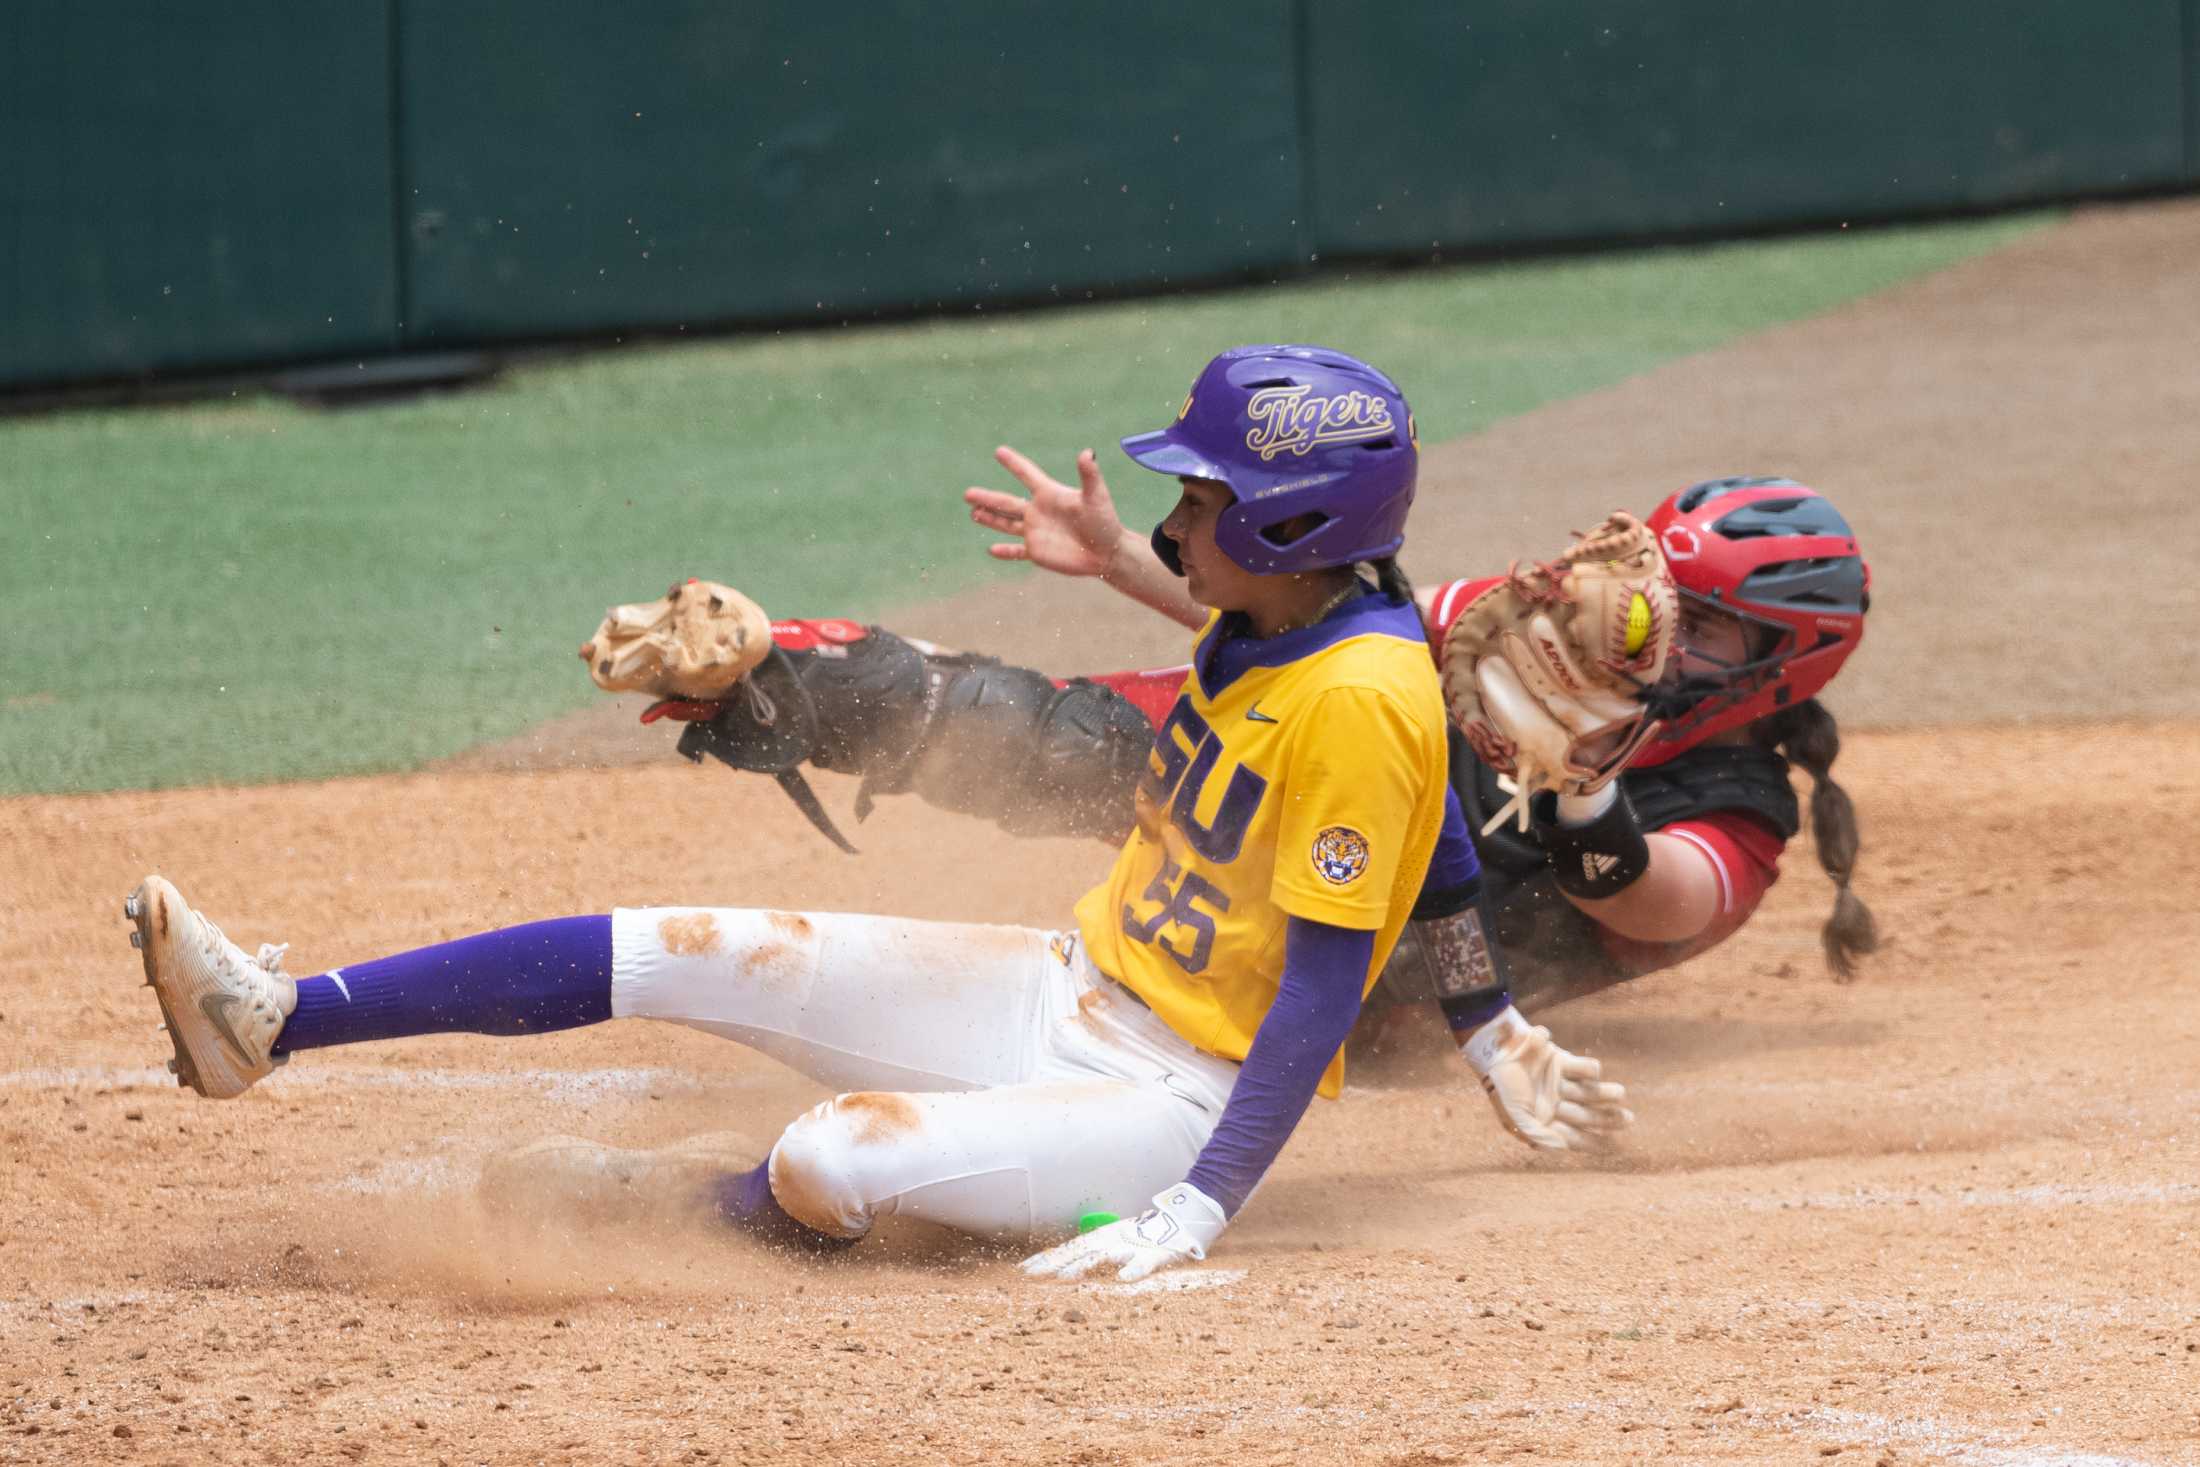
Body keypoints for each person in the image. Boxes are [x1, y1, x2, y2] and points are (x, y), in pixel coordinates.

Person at [125, 346, 1624, 1282]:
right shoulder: (1291, 624)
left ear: (1299, 525)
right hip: (1070, 984)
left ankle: (661, 1212)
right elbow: (1422, 823)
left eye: (1208, 500)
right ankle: (275, 1015)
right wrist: (1491, 1027)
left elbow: (1315, 985)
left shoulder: (1370, 690)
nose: (1179, 517)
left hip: (1173, 1103)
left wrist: (1205, 1201)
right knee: (692, 944)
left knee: (830, 1158)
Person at [687, 468, 1875, 1075]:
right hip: (1301, 810)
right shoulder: (1514, 635)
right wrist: (1116, 560)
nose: (1661, 634)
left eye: (1708, 629)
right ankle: (763, 673)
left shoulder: (1743, 811)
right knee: (1082, 739)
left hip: (1382, 989)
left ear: (1783, 667)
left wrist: (1580, 775)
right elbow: (1309, 633)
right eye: (1664, 600)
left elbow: (1643, 897)